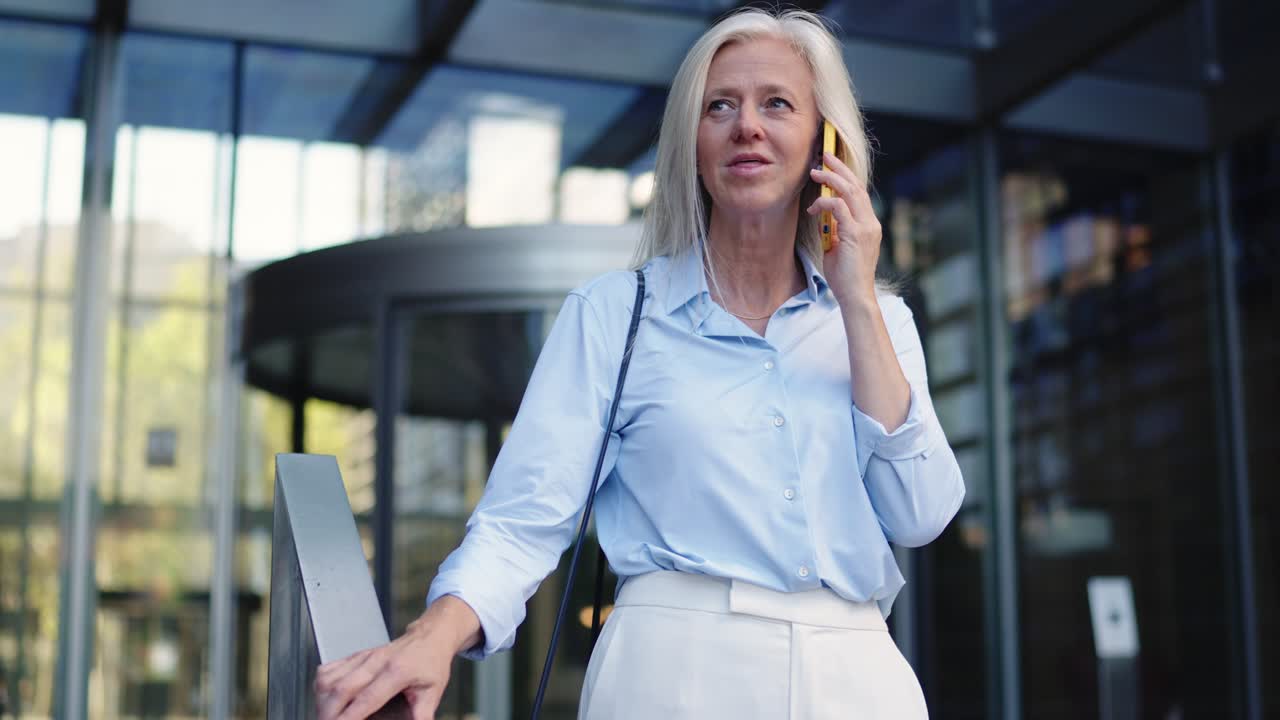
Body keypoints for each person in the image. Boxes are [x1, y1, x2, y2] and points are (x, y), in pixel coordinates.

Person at [316, 8, 964, 719]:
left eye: (777, 103)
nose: (747, 126)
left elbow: (921, 513)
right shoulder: (615, 314)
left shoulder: (879, 321)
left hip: (857, 676)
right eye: (720, 106)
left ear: (825, 142)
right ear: (692, 144)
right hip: (675, 675)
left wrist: (857, 300)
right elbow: (522, 520)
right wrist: (431, 639)